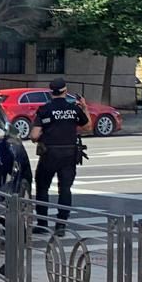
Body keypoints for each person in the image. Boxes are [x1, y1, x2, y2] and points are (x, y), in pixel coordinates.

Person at [30, 77, 89, 234]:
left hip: (49, 154)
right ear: (65, 91)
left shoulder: (44, 109)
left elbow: (34, 135)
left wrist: (40, 136)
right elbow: (87, 126)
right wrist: (84, 107)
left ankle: (42, 223)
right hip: (69, 154)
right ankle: (61, 225)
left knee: (42, 188)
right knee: (65, 189)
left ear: (51, 92)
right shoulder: (73, 109)